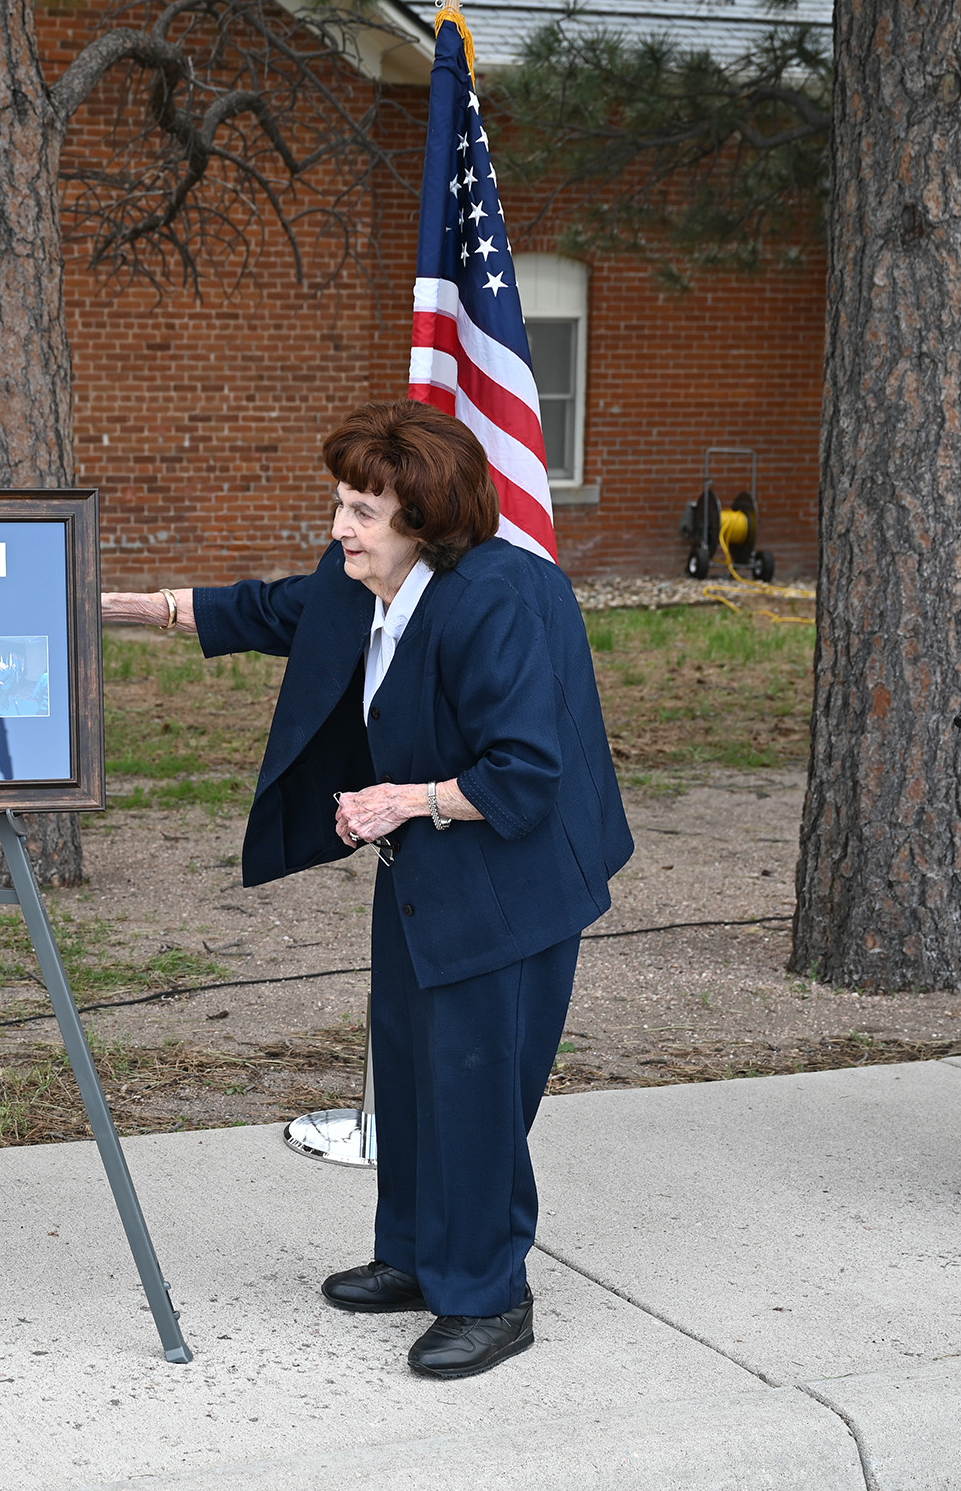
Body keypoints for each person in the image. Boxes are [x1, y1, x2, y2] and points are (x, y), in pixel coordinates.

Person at [104, 400, 631, 1381]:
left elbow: (525, 774)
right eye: (340, 503)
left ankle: (490, 1295)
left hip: (511, 883)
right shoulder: (365, 583)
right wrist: (120, 608)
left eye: (361, 511)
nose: (339, 527)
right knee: (413, 1071)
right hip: (427, 866)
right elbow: (269, 612)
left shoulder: (500, 600)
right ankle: (419, 1257)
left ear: (422, 520)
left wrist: (402, 800)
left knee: (475, 1088)